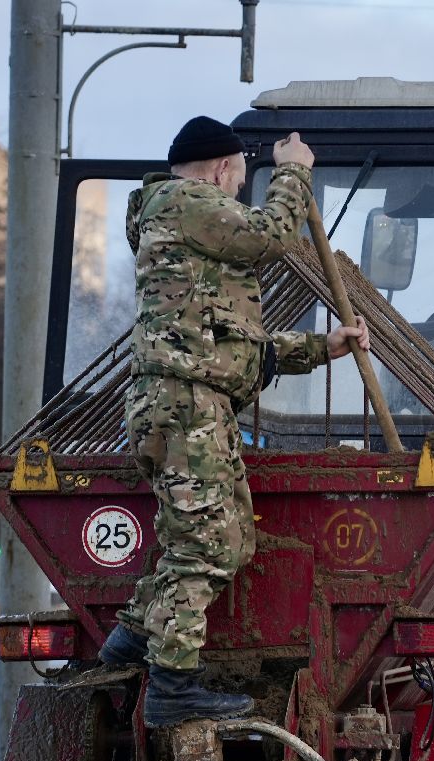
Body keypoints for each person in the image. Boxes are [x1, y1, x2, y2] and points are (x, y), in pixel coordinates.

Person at [97, 116, 370, 727]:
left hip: (182, 401)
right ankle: (172, 684)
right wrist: (294, 169)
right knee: (212, 543)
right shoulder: (188, 201)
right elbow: (270, 237)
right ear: (222, 170)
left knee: (221, 538)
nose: (238, 197)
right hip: (187, 405)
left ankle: (130, 643)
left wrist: (324, 347)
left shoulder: (174, 229)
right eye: (241, 184)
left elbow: (235, 345)